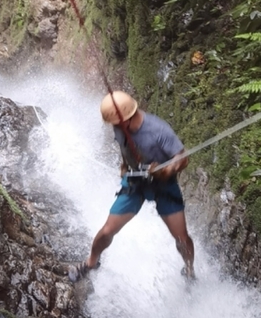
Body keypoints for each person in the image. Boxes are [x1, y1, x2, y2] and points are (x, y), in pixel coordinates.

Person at [74, 91, 195, 281]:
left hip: (163, 185)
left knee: (181, 237)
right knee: (107, 230)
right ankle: (91, 262)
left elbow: (183, 158)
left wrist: (166, 171)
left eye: (116, 123)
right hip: (135, 181)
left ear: (127, 119)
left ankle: (189, 270)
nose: (114, 127)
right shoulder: (120, 126)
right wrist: (125, 165)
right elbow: (126, 148)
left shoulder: (158, 130)